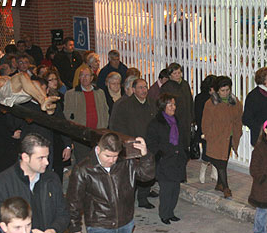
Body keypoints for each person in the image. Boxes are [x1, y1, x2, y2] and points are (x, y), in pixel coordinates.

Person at [0, 134, 70, 233]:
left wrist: (53, 230)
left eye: (47, 157)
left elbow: (63, 214)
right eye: (41, 158)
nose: (46, 162)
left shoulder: (51, 179)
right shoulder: (1, 184)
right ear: (25, 157)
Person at [109, 78, 157, 208]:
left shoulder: (151, 103)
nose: (144, 90)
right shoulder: (124, 105)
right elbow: (117, 125)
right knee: (131, 175)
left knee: (146, 171)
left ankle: (143, 198)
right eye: (140, 87)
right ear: (134, 89)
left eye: (145, 87)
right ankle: (127, 199)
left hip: (148, 144)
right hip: (132, 145)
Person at [146, 94, 188, 223]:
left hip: (177, 160)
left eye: (174, 104)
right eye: (170, 104)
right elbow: (151, 143)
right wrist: (162, 153)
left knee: (175, 189)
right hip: (164, 161)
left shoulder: (176, 120)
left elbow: (183, 139)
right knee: (166, 190)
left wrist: (183, 153)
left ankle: (171, 212)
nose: (173, 107)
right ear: (163, 106)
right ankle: (164, 214)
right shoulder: (156, 123)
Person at [200, 76, 242, 199]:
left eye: (227, 90)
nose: (225, 93)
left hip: (229, 138)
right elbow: (205, 122)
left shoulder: (235, 102)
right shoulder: (211, 103)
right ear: (217, 90)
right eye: (222, 90)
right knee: (221, 164)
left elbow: (239, 118)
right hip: (216, 138)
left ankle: (219, 184)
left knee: (223, 161)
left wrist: (237, 132)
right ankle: (226, 188)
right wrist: (208, 135)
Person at [63, 64, 109, 163]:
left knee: (98, 162)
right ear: (79, 78)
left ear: (92, 78)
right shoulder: (71, 94)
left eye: (87, 75)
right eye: (82, 75)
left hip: (98, 134)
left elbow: (105, 111)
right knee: (83, 162)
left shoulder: (100, 93)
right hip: (81, 135)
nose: (84, 78)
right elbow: (67, 115)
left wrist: (103, 127)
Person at [159, 63, 193, 149]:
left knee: (185, 142)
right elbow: (163, 105)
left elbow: (190, 101)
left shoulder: (185, 84)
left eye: (179, 72)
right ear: (170, 75)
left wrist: (192, 117)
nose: (177, 75)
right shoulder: (166, 87)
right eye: (175, 73)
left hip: (186, 118)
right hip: (174, 119)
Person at [194, 74, 218, 184]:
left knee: (216, 152)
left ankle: (214, 171)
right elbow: (198, 116)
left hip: (217, 129)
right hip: (205, 129)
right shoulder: (200, 98)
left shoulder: (218, 97)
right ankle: (202, 170)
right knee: (207, 153)